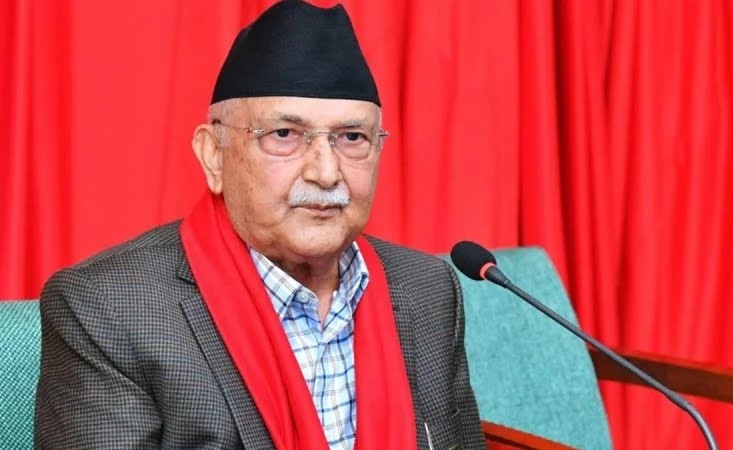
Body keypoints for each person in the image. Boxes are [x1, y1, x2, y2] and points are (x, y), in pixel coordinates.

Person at [34, 1, 485, 449]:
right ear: (214, 155)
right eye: (284, 135)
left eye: (352, 138)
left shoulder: (427, 289)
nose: (326, 172)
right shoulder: (109, 310)